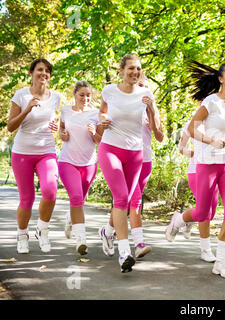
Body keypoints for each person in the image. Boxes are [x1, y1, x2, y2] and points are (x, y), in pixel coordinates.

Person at [166, 61, 225, 278]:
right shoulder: (211, 102)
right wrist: (210, 140)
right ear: (221, 79)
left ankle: (221, 262)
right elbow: (193, 127)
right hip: (207, 164)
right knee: (204, 212)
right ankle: (178, 220)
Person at [97, 54, 161, 273]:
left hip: (135, 154)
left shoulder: (146, 94)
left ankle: (107, 232)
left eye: (139, 69)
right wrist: (103, 119)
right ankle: (124, 252)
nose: (135, 72)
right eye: (131, 68)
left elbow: (155, 127)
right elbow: (102, 112)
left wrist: (152, 109)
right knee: (122, 198)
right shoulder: (109, 91)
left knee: (123, 201)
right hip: (110, 148)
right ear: (121, 70)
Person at [7, 58, 61, 254]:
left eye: (47, 71)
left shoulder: (55, 97)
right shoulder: (20, 96)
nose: (44, 74)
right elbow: (10, 126)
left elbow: (53, 120)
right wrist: (27, 109)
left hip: (46, 151)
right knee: (27, 199)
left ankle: (42, 230)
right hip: (22, 152)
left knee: (50, 191)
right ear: (31, 73)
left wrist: (55, 126)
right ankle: (22, 235)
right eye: (40, 70)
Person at [58, 80, 103, 255]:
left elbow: (100, 141)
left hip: (89, 164)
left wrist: (93, 133)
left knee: (80, 201)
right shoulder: (65, 111)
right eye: (81, 95)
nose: (85, 98)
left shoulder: (96, 114)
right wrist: (63, 134)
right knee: (76, 197)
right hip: (67, 161)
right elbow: (62, 131)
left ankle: (70, 219)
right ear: (75, 95)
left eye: (88, 95)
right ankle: (81, 240)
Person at [127, 76, 163, 258]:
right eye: (139, 85)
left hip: (146, 161)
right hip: (128, 159)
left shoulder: (153, 110)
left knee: (128, 201)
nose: (143, 89)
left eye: (146, 86)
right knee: (135, 201)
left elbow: (160, 137)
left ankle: (108, 231)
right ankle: (138, 243)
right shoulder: (126, 107)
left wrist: (152, 121)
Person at [178, 119, 218, 263]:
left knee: (211, 213)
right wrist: (194, 154)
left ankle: (183, 219)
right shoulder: (193, 124)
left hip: (215, 171)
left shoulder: (219, 122)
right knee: (205, 213)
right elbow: (181, 148)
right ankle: (205, 250)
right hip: (196, 172)